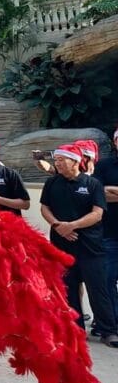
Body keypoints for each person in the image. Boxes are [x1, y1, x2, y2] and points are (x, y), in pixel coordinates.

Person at [41, 144, 118, 348]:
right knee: (68, 289)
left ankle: (108, 330)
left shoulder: (92, 184)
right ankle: (75, 330)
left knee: (98, 290)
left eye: (61, 160)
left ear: (75, 161)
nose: (57, 164)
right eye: (55, 160)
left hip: (91, 247)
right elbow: (44, 207)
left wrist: (72, 225)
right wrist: (57, 226)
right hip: (62, 246)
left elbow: (98, 213)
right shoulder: (51, 183)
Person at [95, 128, 118, 339]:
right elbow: (98, 193)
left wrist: (113, 190)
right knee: (108, 280)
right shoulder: (103, 165)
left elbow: (107, 192)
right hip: (110, 233)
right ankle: (113, 325)